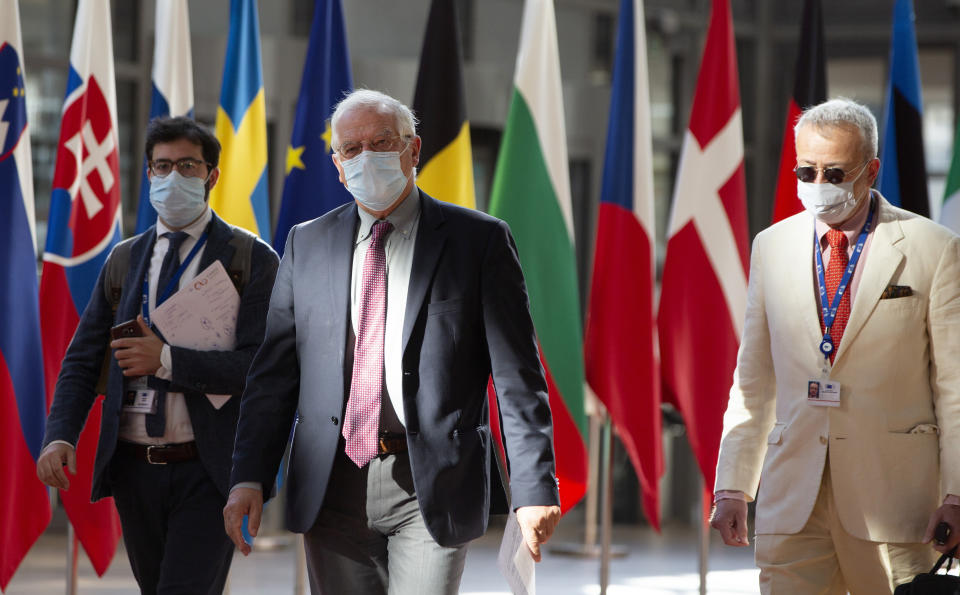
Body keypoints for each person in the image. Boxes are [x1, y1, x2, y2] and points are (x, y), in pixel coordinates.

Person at [223, 89, 561, 594]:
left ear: (413, 149)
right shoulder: (306, 243)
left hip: (434, 480)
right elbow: (273, 377)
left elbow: (516, 376)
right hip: (331, 482)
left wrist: (533, 486)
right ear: (336, 165)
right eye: (351, 150)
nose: (366, 158)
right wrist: (248, 476)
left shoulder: (478, 241)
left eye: (381, 142)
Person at [710, 97, 960, 594]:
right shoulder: (771, 245)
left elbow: (954, 386)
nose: (818, 185)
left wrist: (957, 493)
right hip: (793, 499)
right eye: (807, 170)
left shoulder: (934, 248)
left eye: (835, 172)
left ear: (871, 170)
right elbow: (753, 377)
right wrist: (733, 485)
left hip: (893, 505)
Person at [37, 116, 279, 595]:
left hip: (208, 470)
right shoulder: (125, 260)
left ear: (211, 175)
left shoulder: (250, 260)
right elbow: (83, 360)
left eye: (187, 165)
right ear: (148, 173)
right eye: (162, 166)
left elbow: (260, 368)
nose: (173, 177)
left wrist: (166, 359)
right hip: (135, 468)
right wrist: (60, 434)